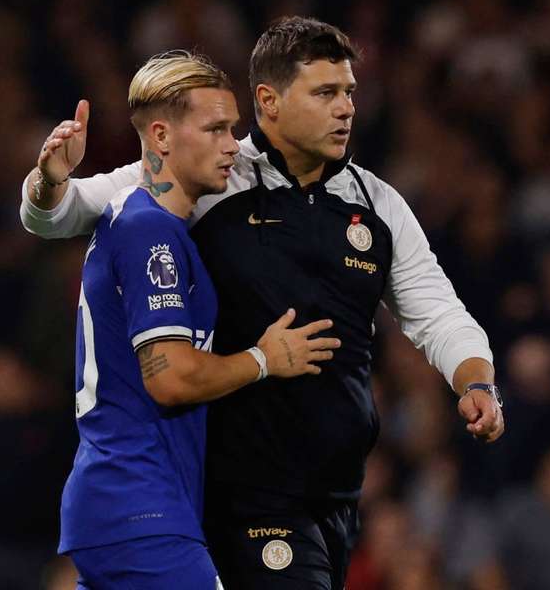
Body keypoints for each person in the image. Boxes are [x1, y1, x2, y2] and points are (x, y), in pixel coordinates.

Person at [20, 17, 504, 589]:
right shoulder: (210, 175)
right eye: (325, 93)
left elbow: (437, 310)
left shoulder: (377, 203)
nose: (346, 108)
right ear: (269, 101)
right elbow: (62, 211)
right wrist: (47, 181)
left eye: (349, 92)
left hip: (339, 494)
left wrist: (476, 382)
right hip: (239, 494)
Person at [50, 51, 339, 589]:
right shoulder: (150, 233)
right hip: (139, 505)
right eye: (216, 129)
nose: (233, 145)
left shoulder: (145, 222)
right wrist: (263, 359)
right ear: (161, 137)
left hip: (127, 506)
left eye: (234, 129)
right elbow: (170, 377)